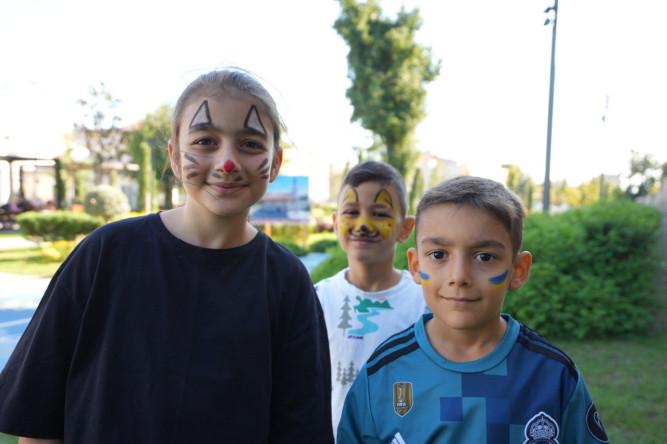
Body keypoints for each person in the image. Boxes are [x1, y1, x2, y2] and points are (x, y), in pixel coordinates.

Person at [0, 69, 334, 443]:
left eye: (250, 144)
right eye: (206, 140)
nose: (227, 162)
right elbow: (37, 418)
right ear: (175, 157)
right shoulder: (105, 254)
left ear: (274, 163)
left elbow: (302, 428)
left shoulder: (288, 282)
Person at [337, 176, 609, 443]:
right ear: (416, 266)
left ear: (518, 270)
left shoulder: (553, 375)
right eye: (439, 254)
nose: (459, 276)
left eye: (485, 256)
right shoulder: (383, 372)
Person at [315, 160, 427, 438]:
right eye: (352, 212)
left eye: (379, 213)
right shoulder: (315, 299)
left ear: (405, 228)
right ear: (335, 223)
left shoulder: (426, 301)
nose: (363, 225)